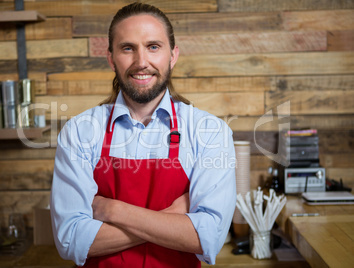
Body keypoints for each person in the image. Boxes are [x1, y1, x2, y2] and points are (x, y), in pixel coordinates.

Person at [50, 2, 236, 267]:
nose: (141, 62)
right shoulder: (79, 132)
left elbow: (208, 237)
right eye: (128, 48)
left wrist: (112, 210)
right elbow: (70, 240)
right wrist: (171, 219)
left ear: (172, 55)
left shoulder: (210, 131)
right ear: (111, 58)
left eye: (153, 47)